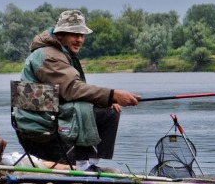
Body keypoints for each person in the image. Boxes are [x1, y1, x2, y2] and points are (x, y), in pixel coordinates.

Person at [20, 9, 139, 171]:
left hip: (48, 113)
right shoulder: (49, 56)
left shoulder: (58, 52)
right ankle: (83, 166)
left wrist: (105, 101)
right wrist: (112, 95)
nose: (80, 40)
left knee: (109, 111)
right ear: (60, 35)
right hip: (38, 122)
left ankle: (91, 163)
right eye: (75, 34)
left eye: (82, 35)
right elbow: (72, 89)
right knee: (83, 108)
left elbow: (68, 92)